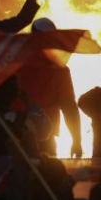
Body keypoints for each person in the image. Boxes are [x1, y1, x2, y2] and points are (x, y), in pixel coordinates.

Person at [15, 18, 83, 158]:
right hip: (44, 138)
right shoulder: (59, 70)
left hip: (15, 133)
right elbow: (69, 107)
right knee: (47, 175)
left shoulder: (14, 63)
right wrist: (76, 140)